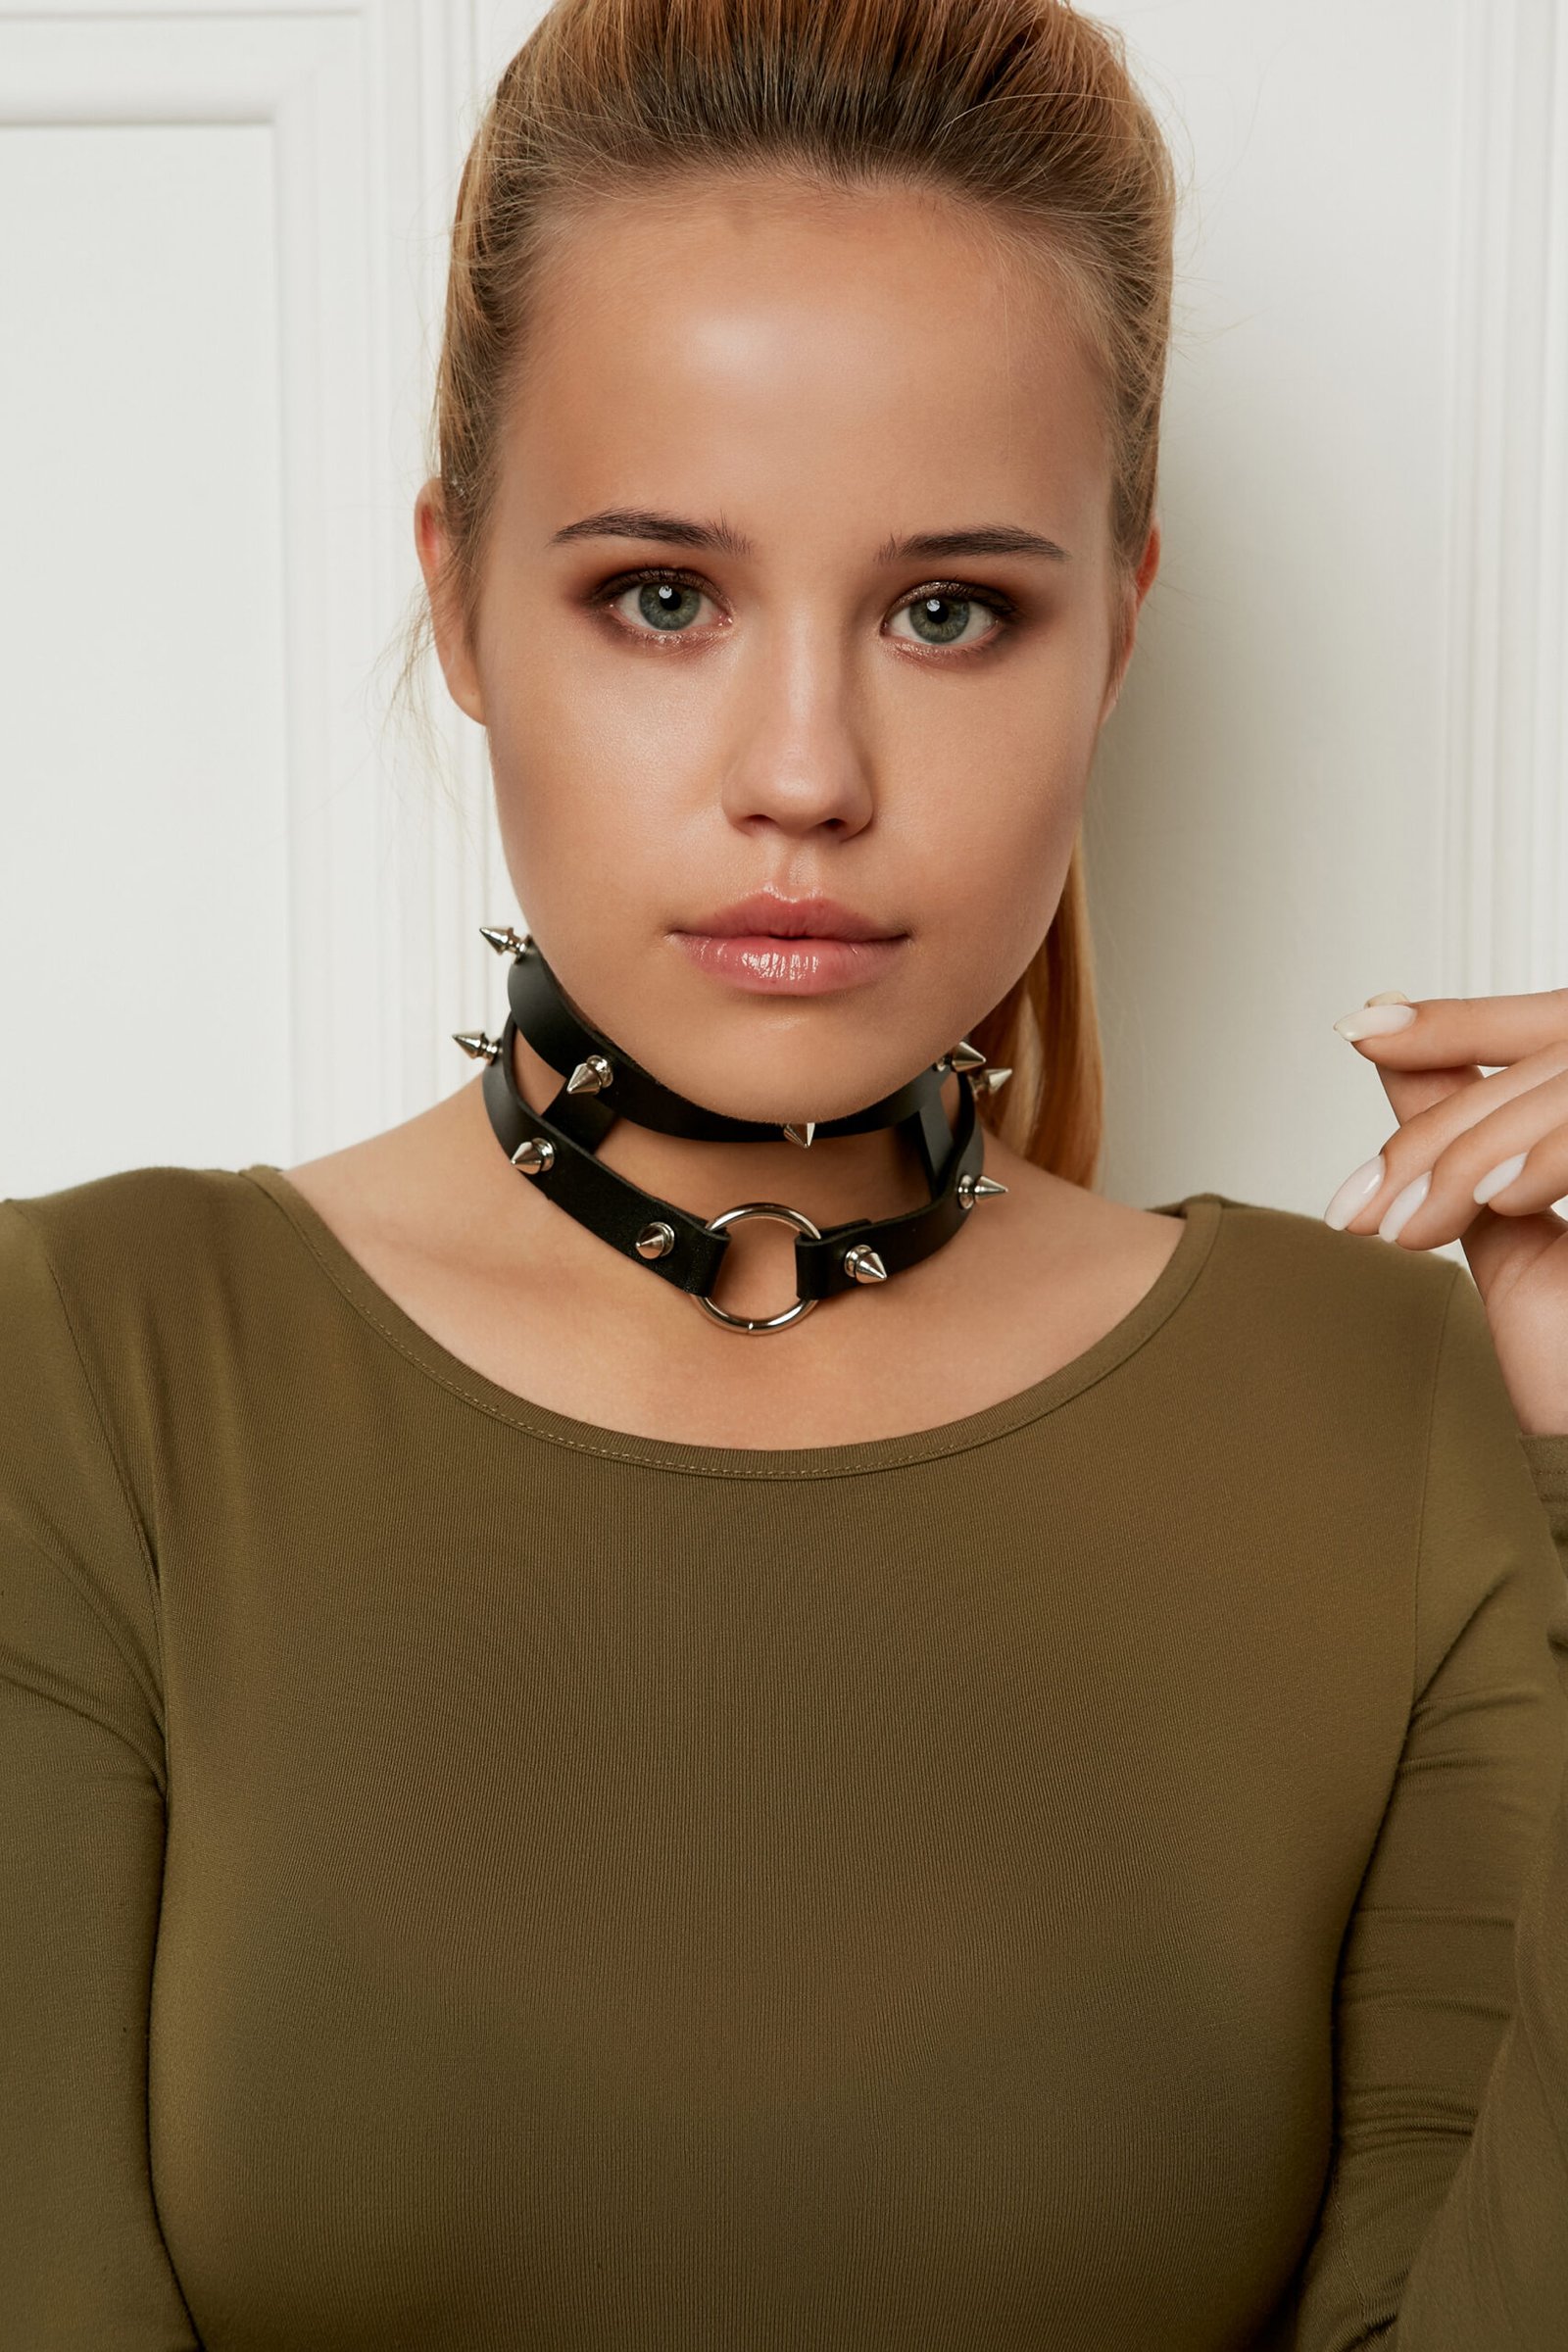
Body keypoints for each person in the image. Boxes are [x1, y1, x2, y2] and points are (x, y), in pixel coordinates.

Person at [3, 0, 1565, 2343]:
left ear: (1114, 627)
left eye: (950, 611)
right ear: (456, 601)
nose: (805, 772)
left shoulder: (1403, 1416)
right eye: (661, 595)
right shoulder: (86, 1378)